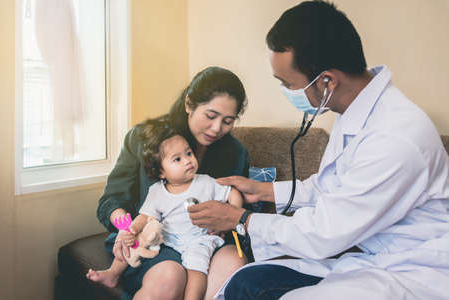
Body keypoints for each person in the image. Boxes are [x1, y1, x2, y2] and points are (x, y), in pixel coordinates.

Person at [188, 1, 449, 300]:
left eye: (288, 83)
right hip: (369, 253)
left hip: (414, 269)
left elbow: (325, 231)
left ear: (326, 81)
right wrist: (263, 191)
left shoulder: (395, 138)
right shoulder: (355, 112)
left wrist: (240, 220)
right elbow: (332, 188)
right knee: (245, 282)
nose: (287, 91)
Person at [96, 66, 250, 300]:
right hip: (154, 238)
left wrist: (227, 220)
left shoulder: (235, 153)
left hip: (204, 241)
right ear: (189, 104)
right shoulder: (144, 139)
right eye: (210, 116)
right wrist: (127, 228)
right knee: (170, 274)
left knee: (234, 263)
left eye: (228, 121)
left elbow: (240, 210)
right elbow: (112, 200)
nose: (217, 128)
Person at [87, 122, 244, 300]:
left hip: (197, 239)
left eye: (189, 154)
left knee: (197, 264)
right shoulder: (156, 191)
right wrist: (129, 230)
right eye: (177, 159)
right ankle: (113, 273)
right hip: (167, 238)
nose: (187, 161)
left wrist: (232, 215)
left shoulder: (205, 182)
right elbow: (143, 216)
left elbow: (233, 193)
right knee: (136, 240)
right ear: (161, 172)